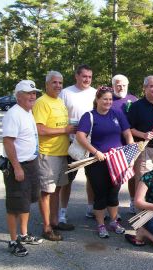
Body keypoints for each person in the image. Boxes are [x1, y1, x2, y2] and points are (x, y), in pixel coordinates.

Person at [76, 86, 134, 238]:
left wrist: (131, 154)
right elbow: (80, 136)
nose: (108, 102)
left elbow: (127, 133)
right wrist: (95, 152)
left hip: (117, 160)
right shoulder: (89, 116)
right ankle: (101, 224)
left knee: (114, 193)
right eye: (105, 99)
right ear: (97, 100)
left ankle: (114, 221)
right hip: (97, 161)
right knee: (100, 194)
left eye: (110, 99)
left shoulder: (117, 114)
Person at [33, 71, 76, 241]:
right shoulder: (41, 102)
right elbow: (39, 129)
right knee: (46, 191)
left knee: (57, 189)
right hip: (48, 154)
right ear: (47, 84)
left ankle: (55, 221)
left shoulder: (59, 101)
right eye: (54, 82)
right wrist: (64, 130)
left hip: (62, 152)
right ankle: (46, 227)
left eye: (60, 83)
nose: (58, 85)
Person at [2, 80, 43, 256]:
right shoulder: (13, 114)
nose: (32, 96)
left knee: (26, 201)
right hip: (18, 165)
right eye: (28, 93)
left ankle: (24, 234)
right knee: (15, 204)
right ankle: (13, 241)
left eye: (34, 93)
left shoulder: (27, 112)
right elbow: (8, 142)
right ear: (18, 95)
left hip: (31, 164)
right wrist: (17, 167)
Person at [59, 64, 96, 221]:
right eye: (84, 76)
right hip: (72, 143)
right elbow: (59, 116)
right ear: (77, 76)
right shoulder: (66, 93)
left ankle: (90, 208)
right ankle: (62, 212)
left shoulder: (95, 93)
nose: (87, 79)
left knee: (92, 179)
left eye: (89, 77)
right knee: (67, 180)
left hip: (92, 144)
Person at [127, 75, 153, 204]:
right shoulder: (136, 106)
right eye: (151, 86)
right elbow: (129, 129)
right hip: (144, 149)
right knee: (143, 181)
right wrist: (143, 134)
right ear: (145, 88)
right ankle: (141, 213)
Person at [111, 74, 138, 214]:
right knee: (113, 176)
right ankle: (111, 204)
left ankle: (133, 201)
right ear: (113, 86)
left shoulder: (134, 100)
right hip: (113, 144)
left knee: (131, 174)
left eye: (124, 85)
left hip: (130, 142)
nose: (121, 87)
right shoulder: (108, 99)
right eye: (118, 85)